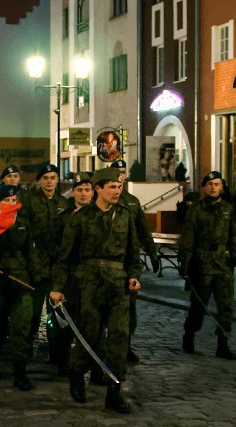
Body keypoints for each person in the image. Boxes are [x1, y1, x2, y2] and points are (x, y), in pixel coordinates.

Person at [50, 167, 142, 414]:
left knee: (120, 337)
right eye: (111, 187)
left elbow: (134, 252)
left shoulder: (125, 216)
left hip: (118, 284)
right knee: (89, 334)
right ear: (98, 189)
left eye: (119, 187)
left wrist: (134, 275)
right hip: (88, 284)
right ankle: (77, 372)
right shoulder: (79, 218)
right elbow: (65, 257)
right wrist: (57, 287)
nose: (117, 191)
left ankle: (114, 390)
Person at [179, 171, 236, 360]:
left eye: (217, 184)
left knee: (226, 307)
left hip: (223, 263)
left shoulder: (228, 209)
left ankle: (223, 343)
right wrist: (185, 263)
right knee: (198, 307)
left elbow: (235, 235)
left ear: (222, 186)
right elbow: (188, 236)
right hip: (203, 264)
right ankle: (189, 334)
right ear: (204, 187)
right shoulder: (197, 209)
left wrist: (235, 256)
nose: (213, 187)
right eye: (210, 184)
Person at [0, 185, 37, 391]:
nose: (12, 204)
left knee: (21, 328)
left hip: (20, 281)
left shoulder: (22, 223)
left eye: (14, 200)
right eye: (7, 201)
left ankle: (20, 373)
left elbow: (30, 252)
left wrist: (34, 277)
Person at [111, 159, 160, 363]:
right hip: (105, 263)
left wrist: (152, 252)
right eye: (116, 172)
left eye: (123, 172)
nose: (120, 175)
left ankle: (126, 345)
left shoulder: (132, 202)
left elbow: (142, 229)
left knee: (129, 309)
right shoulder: (101, 198)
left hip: (127, 262)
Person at [48, 172, 93, 376]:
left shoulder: (100, 215)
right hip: (69, 276)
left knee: (91, 323)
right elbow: (55, 249)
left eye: (87, 190)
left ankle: (88, 362)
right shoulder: (64, 218)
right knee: (65, 323)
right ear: (73, 193)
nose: (84, 194)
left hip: (91, 277)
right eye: (80, 190)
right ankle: (61, 360)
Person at [23, 164, 65, 359]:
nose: (49, 181)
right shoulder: (29, 201)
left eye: (53, 177)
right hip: (35, 266)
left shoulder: (64, 203)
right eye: (46, 178)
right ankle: (27, 346)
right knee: (31, 312)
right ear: (39, 180)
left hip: (56, 266)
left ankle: (56, 352)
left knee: (55, 314)